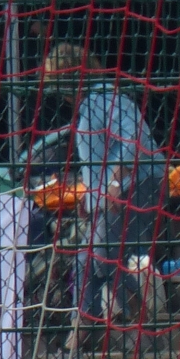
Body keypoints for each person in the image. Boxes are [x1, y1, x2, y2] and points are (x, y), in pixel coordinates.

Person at [43, 43, 166, 325]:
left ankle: (131, 317)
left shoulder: (103, 98)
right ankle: (88, 327)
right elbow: (98, 158)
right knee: (86, 262)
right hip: (115, 191)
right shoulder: (89, 105)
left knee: (100, 257)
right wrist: (90, 197)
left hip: (137, 184)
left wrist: (114, 183)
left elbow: (134, 137)